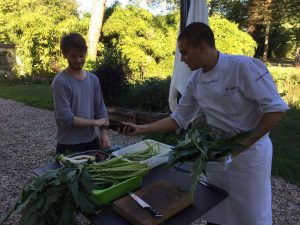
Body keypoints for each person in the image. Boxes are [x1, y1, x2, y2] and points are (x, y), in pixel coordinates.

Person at [120, 22, 289, 225]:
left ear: (202, 47)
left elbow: (275, 109)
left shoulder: (242, 67)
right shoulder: (195, 80)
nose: (182, 59)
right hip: (215, 155)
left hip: (249, 158)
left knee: (250, 214)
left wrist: (238, 147)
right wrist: (141, 129)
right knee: (216, 208)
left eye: (185, 53)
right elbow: (178, 118)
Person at [52, 32, 111, 154]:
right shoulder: (60, 81)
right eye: (73, 56)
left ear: (85, 53)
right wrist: (95, 122)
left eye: (81, 55)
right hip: (69, 145)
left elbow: (100, 109)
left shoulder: (93, 79)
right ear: (65, 55)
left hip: (92, 141)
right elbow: (66, 118)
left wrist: (104, 133)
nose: (78, 60)